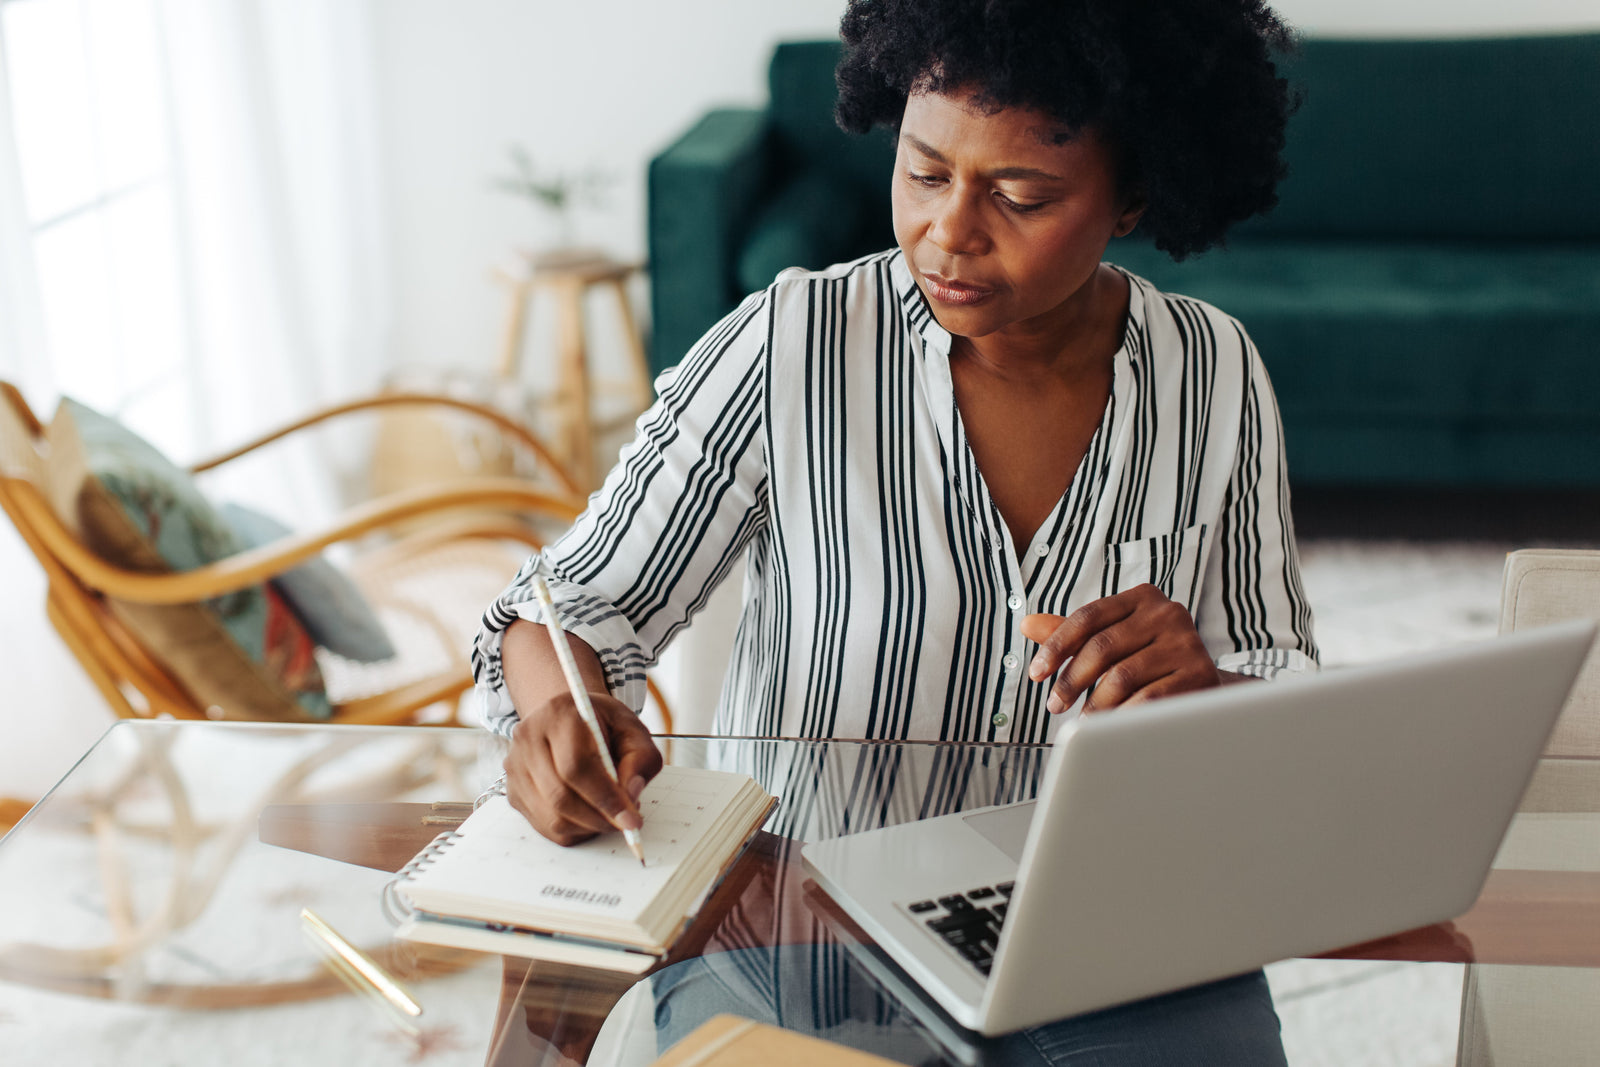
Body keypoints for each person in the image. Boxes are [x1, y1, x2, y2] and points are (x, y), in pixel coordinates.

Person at [476, 0, 1313, 1059]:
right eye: (923, 172)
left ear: (1134, 196)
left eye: (1020, 194)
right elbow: (579, 601)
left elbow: (1277, 683)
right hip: (802, 918)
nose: (950, 231)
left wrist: (1210, 691)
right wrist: (565, 712)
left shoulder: (1214, 372)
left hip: (1109, 929)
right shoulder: (793, 344)